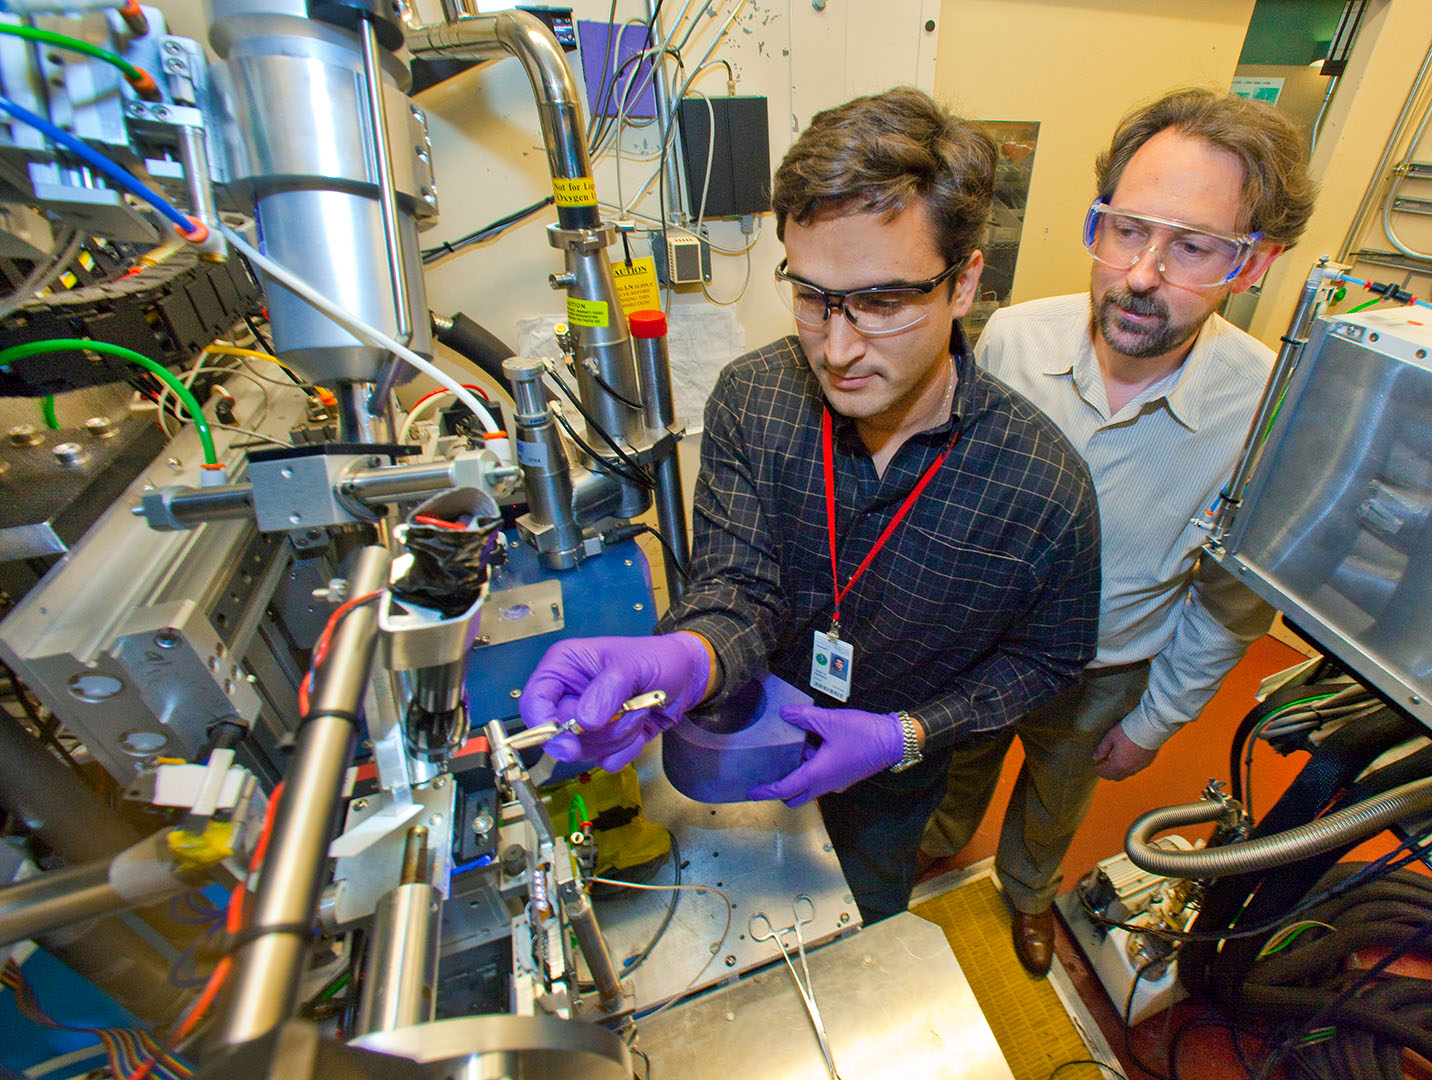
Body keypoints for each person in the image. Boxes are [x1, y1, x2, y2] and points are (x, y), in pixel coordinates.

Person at [520, 86, 1101, 924]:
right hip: (747, 724)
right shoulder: (754, 398)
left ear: (965, 282)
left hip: (890, 781)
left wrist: (907, 733)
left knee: (856, 927)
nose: (838, 348)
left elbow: (1047, 663)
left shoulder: (1043, 489)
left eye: (883, 301)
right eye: (813, 296)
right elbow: (737, 585)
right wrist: (687, 658)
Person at [919, 87, 1317, 974]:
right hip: (983, 643)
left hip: (1108, 669)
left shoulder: (1264, 418)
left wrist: (1156, 722)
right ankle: (934, 848)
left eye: (1193, 248)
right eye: (1127, 230)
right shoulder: (1013, 341)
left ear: (1252, 267)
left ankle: (1027, 894)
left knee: (1056, 796)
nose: (1141, 274)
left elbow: (1231, 603)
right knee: (958, 765)